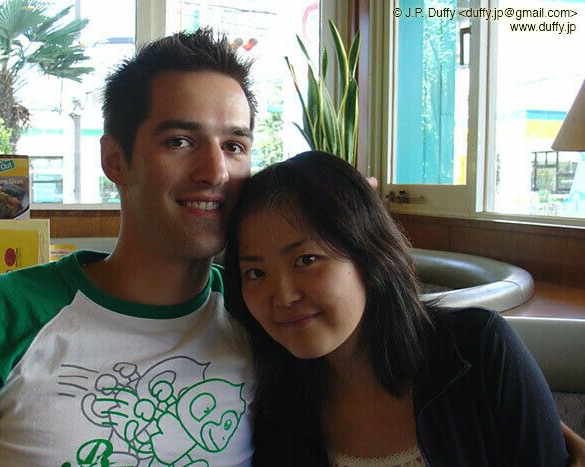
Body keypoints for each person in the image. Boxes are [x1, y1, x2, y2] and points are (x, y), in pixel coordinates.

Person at [0, 28, 257, 466]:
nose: (216, 171)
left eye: (234, 146)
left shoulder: (262, 317)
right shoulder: (0, 315)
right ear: (114, 160)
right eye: (179, 141)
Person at [223, 150, 572, 466]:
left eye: (307, 259)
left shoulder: (476, 351)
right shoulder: (274, 403)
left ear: (368, 253)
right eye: (256, 273)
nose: (283, 296)